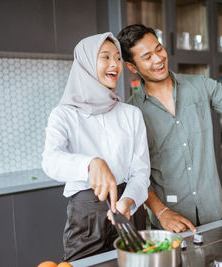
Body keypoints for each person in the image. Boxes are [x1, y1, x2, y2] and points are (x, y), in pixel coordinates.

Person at [117, 24, 222, 233]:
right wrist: (161, 212)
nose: (158, 59)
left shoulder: (199, 85)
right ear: (132, 67)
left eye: (159, 49)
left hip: (214, 214)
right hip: (169, 225)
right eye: (147, 57)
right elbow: (135, 174)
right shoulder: (132, 111)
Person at [42, 32, 150, 261]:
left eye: (118, 58)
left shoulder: (132, 114)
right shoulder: (63, 115)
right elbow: (50, 161)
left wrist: (128, 200)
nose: (115, 64)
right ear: (87, 63)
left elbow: (141, 172)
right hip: (87, 217)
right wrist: (90, 164)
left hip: (130, 209)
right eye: (106, 57)